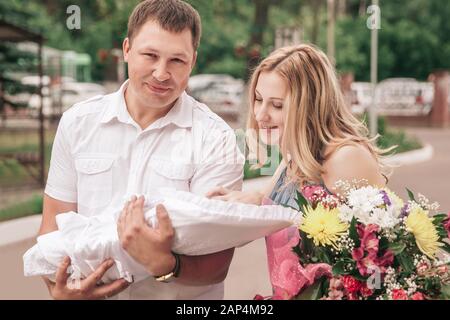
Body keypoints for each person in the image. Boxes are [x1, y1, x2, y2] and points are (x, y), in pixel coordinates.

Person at [39, 0, 243, 300]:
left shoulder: (217, 139)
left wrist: (163, 263)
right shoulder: (77, 123)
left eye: (177, 60)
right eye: (150, 55)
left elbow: (216, 264)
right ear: (126, 49)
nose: (161, 73)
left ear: (193, 61)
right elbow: (52, 230)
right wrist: (61, 290)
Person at [206, 44, 391, 296]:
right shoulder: (293, 158)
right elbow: (268, 202)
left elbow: (382, 257)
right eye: (259, 99)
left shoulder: (346, 158)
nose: (261, 114)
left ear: (310, 105)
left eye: (277, 105)